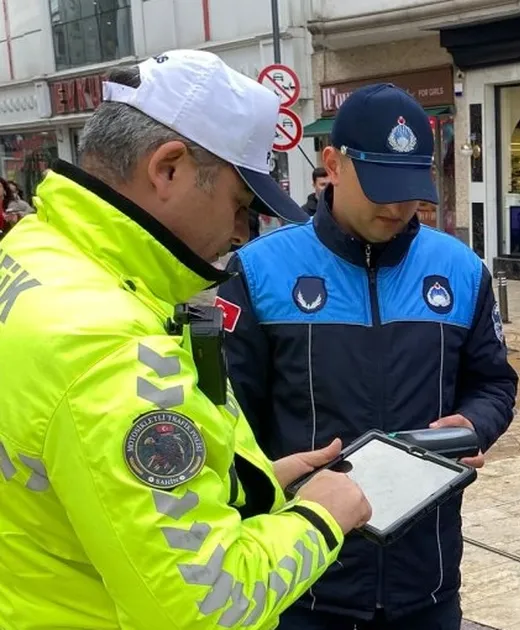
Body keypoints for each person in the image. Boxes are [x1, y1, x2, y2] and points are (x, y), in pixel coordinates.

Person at [0, 50, 371, 630]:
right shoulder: (111, 346)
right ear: (168, 168)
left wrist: (254, 481)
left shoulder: (31, 256)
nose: (239, 232)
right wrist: (322, 518)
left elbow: (87, 485)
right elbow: (204, 607)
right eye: (240, 204)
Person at [217, 82, 519, 629]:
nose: (399, 205)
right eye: (381, 186)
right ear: (332, 163)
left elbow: (495, 383)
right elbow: (229, 422)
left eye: (411, 188)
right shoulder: (260, 272)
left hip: (425, 581)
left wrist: (472, 424)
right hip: (301, 581)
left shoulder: (460, 269)